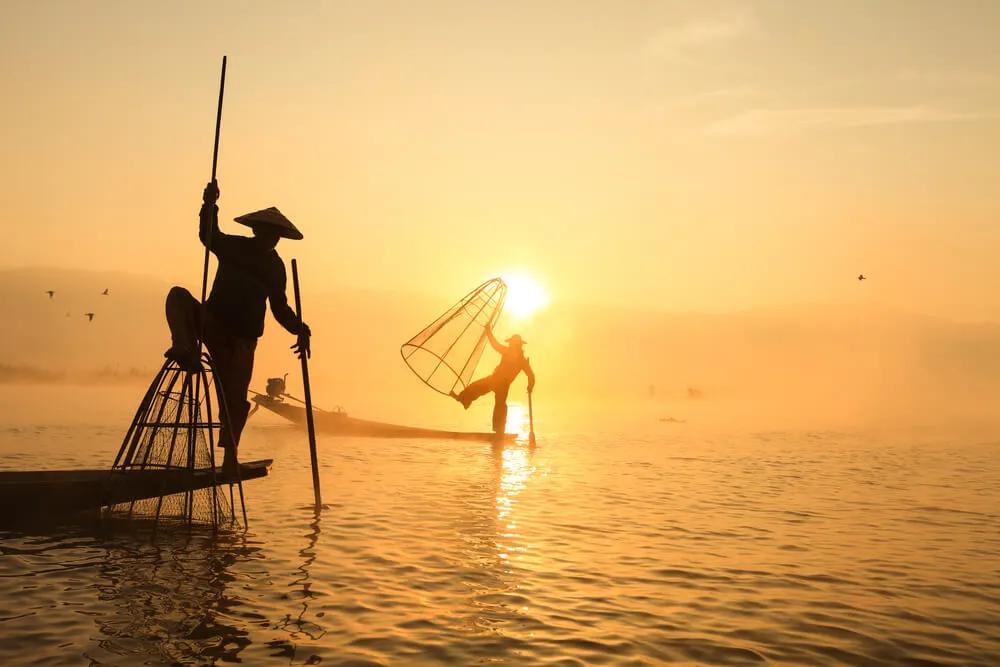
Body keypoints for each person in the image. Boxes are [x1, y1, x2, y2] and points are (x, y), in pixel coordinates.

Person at [164, 181, 311, 472]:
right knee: (177, 296)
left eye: (276, 236)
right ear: (257, 231)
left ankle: (230, 456)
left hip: (242, 341)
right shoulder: (235, 247)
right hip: (213, 322)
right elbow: (209, 235)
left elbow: (280, 308)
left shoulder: (274, 267)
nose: (272, 240)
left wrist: (300, 329)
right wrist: (209, 204)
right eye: (268, 233)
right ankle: (185, 348)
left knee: (235, 402)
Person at [452, 325, 535, 433]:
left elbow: (531, 375)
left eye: (514, 344)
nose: (511, 345)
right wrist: (488, 332)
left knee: (500, 405)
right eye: (511, 343)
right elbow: (495, 345)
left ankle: (499, 431)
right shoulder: (509, 352)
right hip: (495, 379)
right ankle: (464, 399)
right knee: (476, 386)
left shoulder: (521, 359)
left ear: (518, 345)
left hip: (503, 384)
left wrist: (530, 385)